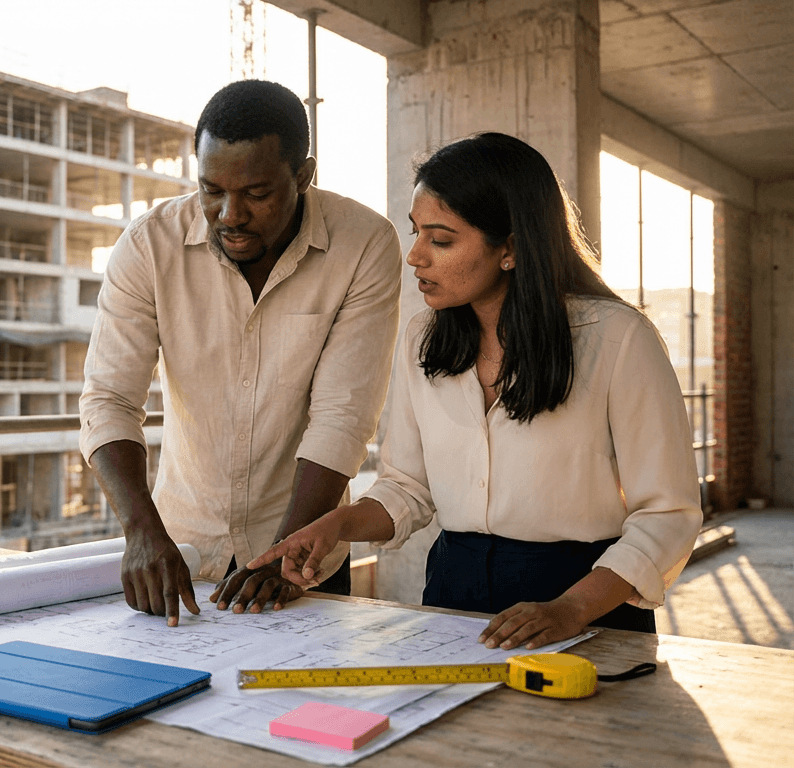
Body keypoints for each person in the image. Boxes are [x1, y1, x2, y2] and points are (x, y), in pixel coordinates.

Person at [248, 132, 703, 650]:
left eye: (440, 240)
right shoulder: (421, 338)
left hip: (589, 602)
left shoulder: (619, 339)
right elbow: (407, 487)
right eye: (416, 232)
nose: (415, 256)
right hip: (451, 597)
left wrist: (569, 610)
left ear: (510, 247)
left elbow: (668, 515)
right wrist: (335, 525)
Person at [79, 80, 402, 626]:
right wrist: (140, 532)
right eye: (211, 190)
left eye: (255, 193)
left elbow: (342, 417)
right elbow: (109, 398)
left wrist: (286, 554)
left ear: (303, 176)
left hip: (305, 553)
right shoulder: (147, 245)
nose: (229, 214)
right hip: (179, 553)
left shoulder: (365, 244)